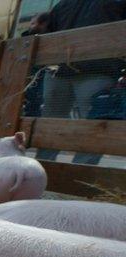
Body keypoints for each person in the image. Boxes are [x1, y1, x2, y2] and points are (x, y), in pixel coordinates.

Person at [37, 0, 125, 164]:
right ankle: (75, 176)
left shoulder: (62, 5)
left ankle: (44, 170)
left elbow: (48, 34)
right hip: (95, 69)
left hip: (69, 70)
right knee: (94, 126)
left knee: (54, 123)